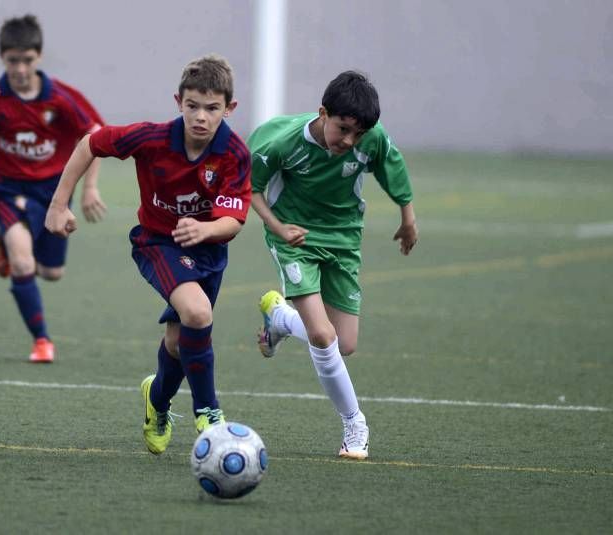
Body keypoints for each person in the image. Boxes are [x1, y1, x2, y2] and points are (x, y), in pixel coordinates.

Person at [45, 54, 251, 454]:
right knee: (198, 313)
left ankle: (156, 400)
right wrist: (58, 203)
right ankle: (208, 409)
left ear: (229, 108)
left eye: (212, 108)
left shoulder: (234, 154)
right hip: (157, 243)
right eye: (193, 106)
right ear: (178, 102)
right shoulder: (152, 138)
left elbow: (235, 220)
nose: (201, 117)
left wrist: (206, 228)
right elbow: (91, 142)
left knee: (177, 342)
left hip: (207, 252)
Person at [249, 71, 419, 460]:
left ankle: (280, 318)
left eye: (357, 135)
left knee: (345, 344)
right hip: (294, 240)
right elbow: (251, 188)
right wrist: (278, 226)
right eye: (343, 129)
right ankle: (354, 423)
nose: (349, 141)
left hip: (343, 240)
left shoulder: (368, 138)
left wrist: (407, 218)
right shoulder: (283, 142)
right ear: (323, 113)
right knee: (323, 337)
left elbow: (391, 165)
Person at [0, 14, 106, 364]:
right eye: (12, 60)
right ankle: (42, 341)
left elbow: (95, 136)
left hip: (54, 193)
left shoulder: (62, 98)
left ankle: (8, 249)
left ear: (39, 57)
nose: (20, 68)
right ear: (2, 58)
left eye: (27, 60)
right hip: (8, 189)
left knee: (51, 273)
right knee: (23, 261)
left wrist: (89, 188)